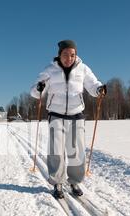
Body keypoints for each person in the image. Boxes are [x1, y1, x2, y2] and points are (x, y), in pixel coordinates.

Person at [30, 40, 107, 199]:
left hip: (76, 114)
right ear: (59, 55)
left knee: (76, 151)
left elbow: (93, 85)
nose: (69, 58)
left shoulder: (83, 68)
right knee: (56, 150)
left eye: (72, 54)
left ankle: (74, 181)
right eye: (65, 54)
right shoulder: (50, 70)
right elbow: (35, 90)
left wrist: (99, 89)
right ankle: (57, 182)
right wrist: (39, 88)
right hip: (56, 114)